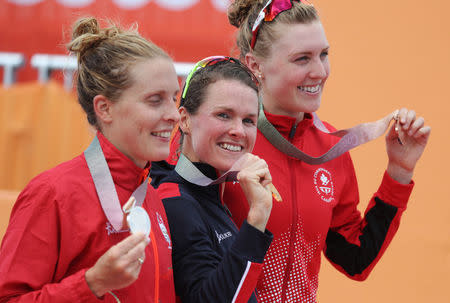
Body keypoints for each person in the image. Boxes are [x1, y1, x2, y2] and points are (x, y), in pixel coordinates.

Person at [224, 1, 432, 302]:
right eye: (302, 59)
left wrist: (399, 172)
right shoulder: (226, 140)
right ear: (255, 66)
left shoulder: (332, 149)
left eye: (324, 55)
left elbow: (355, 259)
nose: (320, 72)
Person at [0, 17, 179, 302]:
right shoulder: (53, 194)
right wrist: (92, 283)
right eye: (155, 100)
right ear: (105, 108)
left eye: (174, 98)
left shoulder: (151, 196)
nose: (174, 114)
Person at [150, 56, 273, 303]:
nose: (239, 130)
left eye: (249, 120)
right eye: (224, 115)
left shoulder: (210, 193)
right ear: (184, 120)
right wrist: (258, 216)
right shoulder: (175, 202)